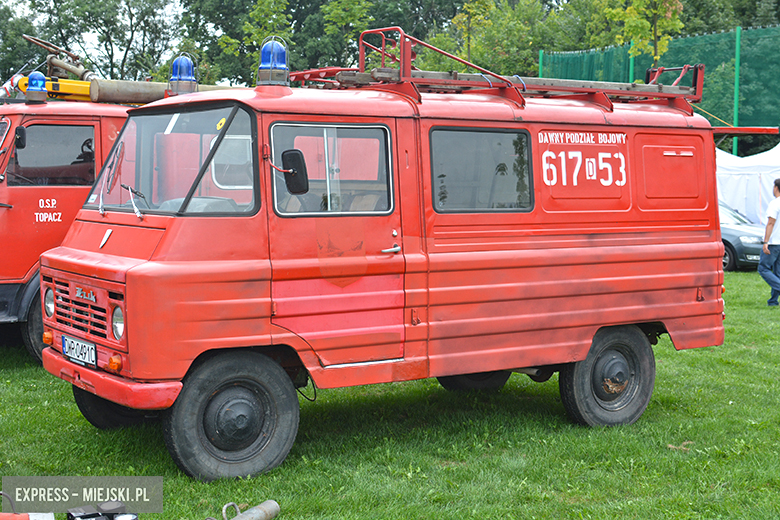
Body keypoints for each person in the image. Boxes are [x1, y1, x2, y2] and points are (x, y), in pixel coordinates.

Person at [759, 178, 780, 305]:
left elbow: (771, 223)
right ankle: (773, 301)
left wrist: (765, 241)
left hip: (774, 242)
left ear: (776, 188)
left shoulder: (775, 203)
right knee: (777, 272)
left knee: (763, 268)